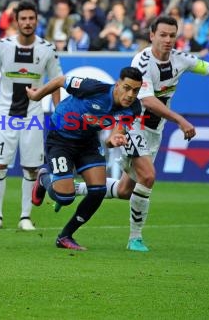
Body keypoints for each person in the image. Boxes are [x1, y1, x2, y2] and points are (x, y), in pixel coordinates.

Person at [75, 16, 209, 252]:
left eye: (172, 35)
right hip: (132, 123)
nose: (168, 40)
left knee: (124, 190)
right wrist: (180, 119)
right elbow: (148, 101)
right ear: (152, 35)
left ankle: (70, 187)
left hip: (155, 131)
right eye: (163, 34)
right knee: (148, 177)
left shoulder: (182, 59)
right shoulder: (142, 61)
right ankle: (135, 238)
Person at [28, 67, 144, 251]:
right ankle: (44, 179)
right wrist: (36, 97)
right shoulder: (93, 88)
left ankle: (65, 236)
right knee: (65, 198)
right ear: (117, 84)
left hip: (88, 142)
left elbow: (114, 135)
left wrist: (114, 139)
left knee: (98, 191)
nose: (130, 94)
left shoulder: (134, 108)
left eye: (136, 90)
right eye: (127, 88)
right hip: (60, 138)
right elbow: (60, 80)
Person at [0, 0, 62, 231]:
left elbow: (56, 83)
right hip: (5, 114)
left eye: (31, 18)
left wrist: (59, 112)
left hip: (33, 116)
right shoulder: (2, 46)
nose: (27, 22)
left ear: (36, 20)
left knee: (32, 168)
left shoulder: (47, 49)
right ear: (16, 21)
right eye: (23, 18)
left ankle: (25, 217)